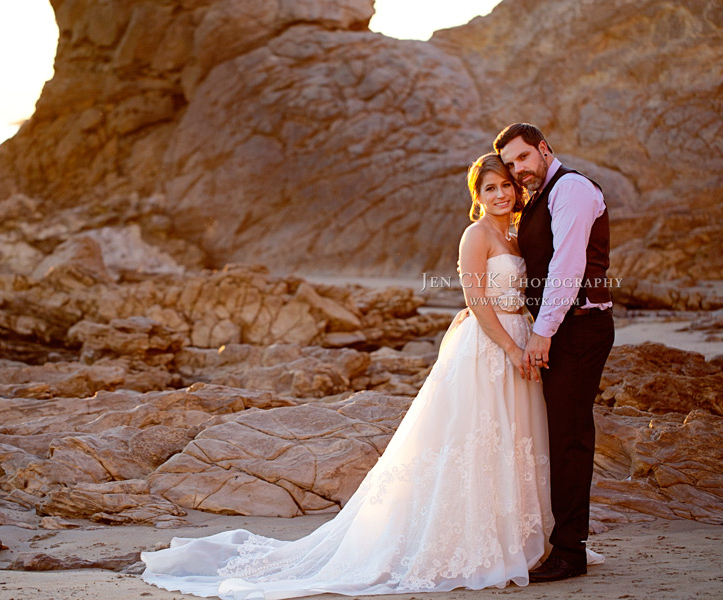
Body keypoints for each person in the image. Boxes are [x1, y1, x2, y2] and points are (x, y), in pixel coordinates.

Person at [140, 153, 554, 599]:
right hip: (488, 349)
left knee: (511, 442)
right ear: (477, 196)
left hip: (518, 340)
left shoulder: (512, 236)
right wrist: (510, 347)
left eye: (505, 186)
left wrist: (529, 339)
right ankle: (468, 544)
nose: (499, 194)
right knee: (474, 440)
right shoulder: (476, 235)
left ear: (516, 190)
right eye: (489, 188)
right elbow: (475, 299)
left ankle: (510, 538)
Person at [494, 123, 615, 582]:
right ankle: (559, 541)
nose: (517, 169)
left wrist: (541, 333)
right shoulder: (539, 198)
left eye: (523, 158)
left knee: (570, 437)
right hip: (556, 330)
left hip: (580, 329)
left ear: (544, 150)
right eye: (510, 164)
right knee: (557, 435)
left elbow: (567, 266)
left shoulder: (573, 189)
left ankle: (570, 553)